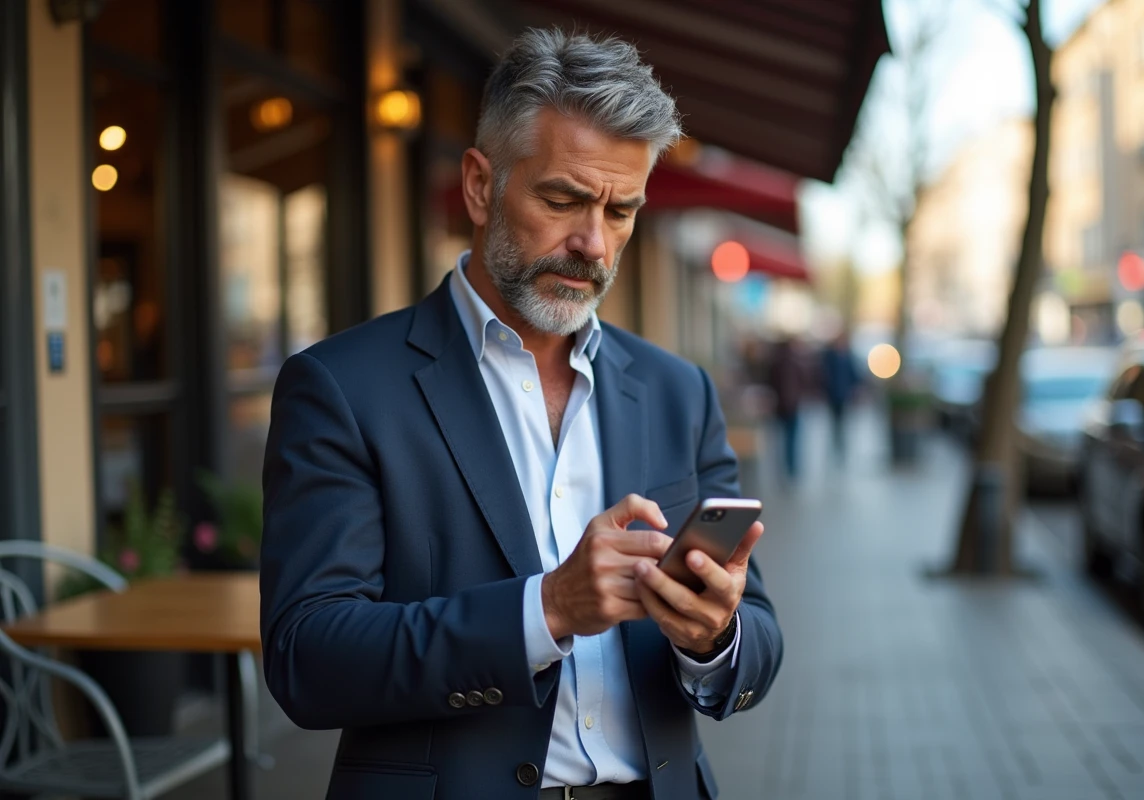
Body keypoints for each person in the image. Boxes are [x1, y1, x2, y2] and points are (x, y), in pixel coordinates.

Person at [260, 29, 783, 800]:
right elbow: (307, 659)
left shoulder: (678, 391)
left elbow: (759, 639)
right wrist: (547, 608)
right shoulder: (342, 387)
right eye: (562, 200)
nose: (593, 244)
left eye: (621, 211)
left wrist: (714, 636)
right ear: (480, 186)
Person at [766, 336, 811, 481]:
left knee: (783, 439)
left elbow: (769, 383)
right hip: (792, 406)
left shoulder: (775, 363)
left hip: (782, 406)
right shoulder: (796, 362)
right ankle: (791, 468)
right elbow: (804, 381)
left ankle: (786, 468)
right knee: (792, 439)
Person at [821, 331, 858, 463]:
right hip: (832, 394)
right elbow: (824, 375)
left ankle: (841, 447)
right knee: (834, 422)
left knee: (842, 422)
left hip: (844, 394)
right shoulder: (829, 357)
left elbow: (854, 374)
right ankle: (835, 446)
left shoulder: (848, 356)